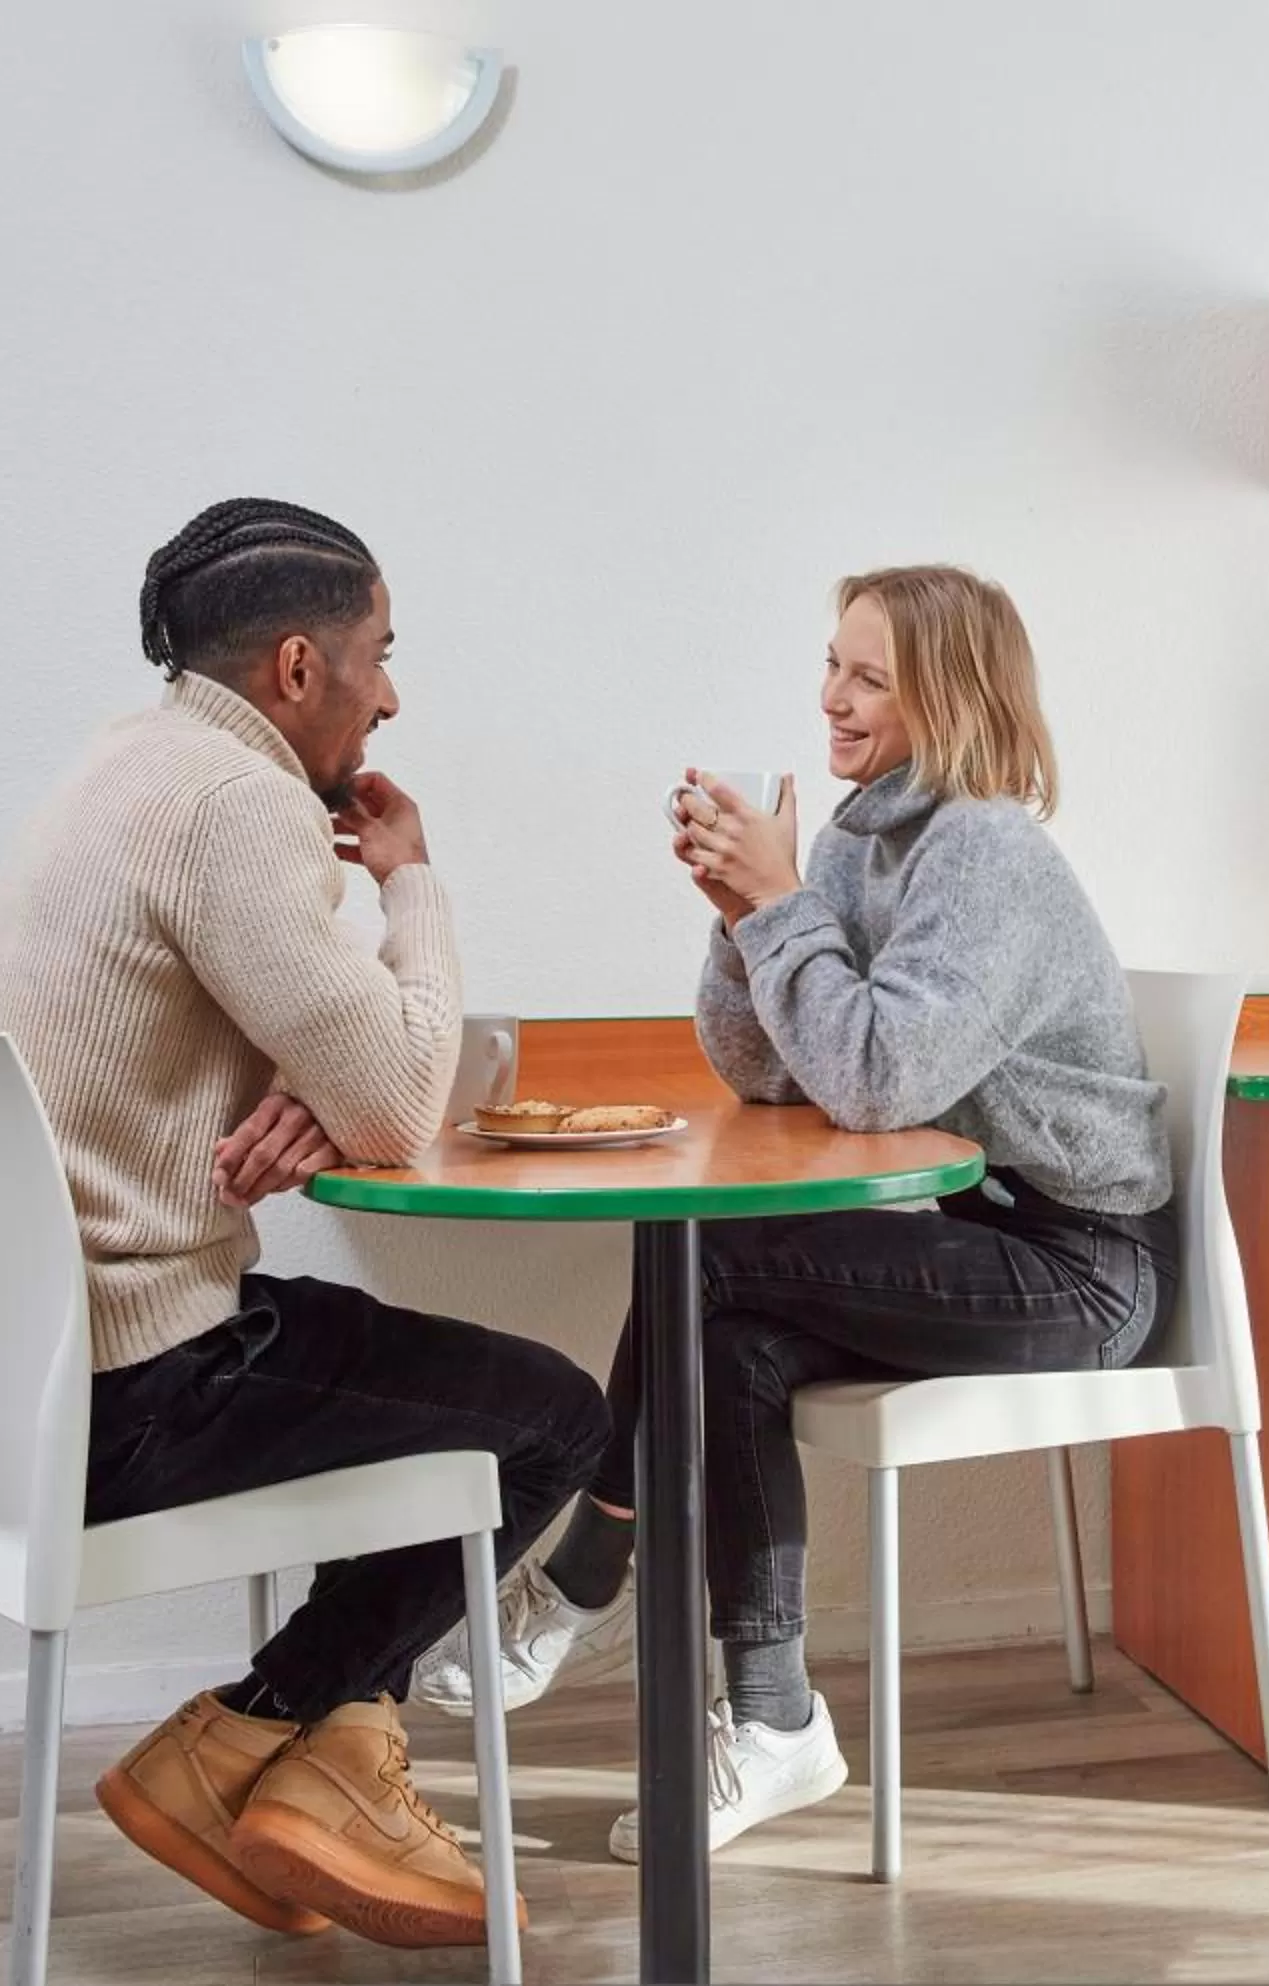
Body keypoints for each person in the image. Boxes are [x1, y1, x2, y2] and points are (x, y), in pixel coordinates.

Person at [416, 564, 1175, 1859]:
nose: (831, 696)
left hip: (1081, 1268)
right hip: (979, 1228)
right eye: (832, 662)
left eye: (868, 674)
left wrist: (781, 908)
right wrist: (741, 921)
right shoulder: (856, 844)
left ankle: (587, 1573)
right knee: (728, 1330)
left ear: (948, 694)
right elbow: (768, 1068)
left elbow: (878, 1077)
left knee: (706, 1258)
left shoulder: (986, 848)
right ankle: (773, 1722)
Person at [0, 498, 607, 1948]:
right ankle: (265, 1743)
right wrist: (411, 878)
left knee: (463, 1395)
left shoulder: (133, 765)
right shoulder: (231, 805)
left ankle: (296, 1760)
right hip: (138, 1394)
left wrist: (327, 1080)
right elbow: (404, 1097)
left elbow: (362, 1080)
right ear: (298, 668)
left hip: (13, 1388)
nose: (394, 691)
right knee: (556, 1416)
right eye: (381, 653)